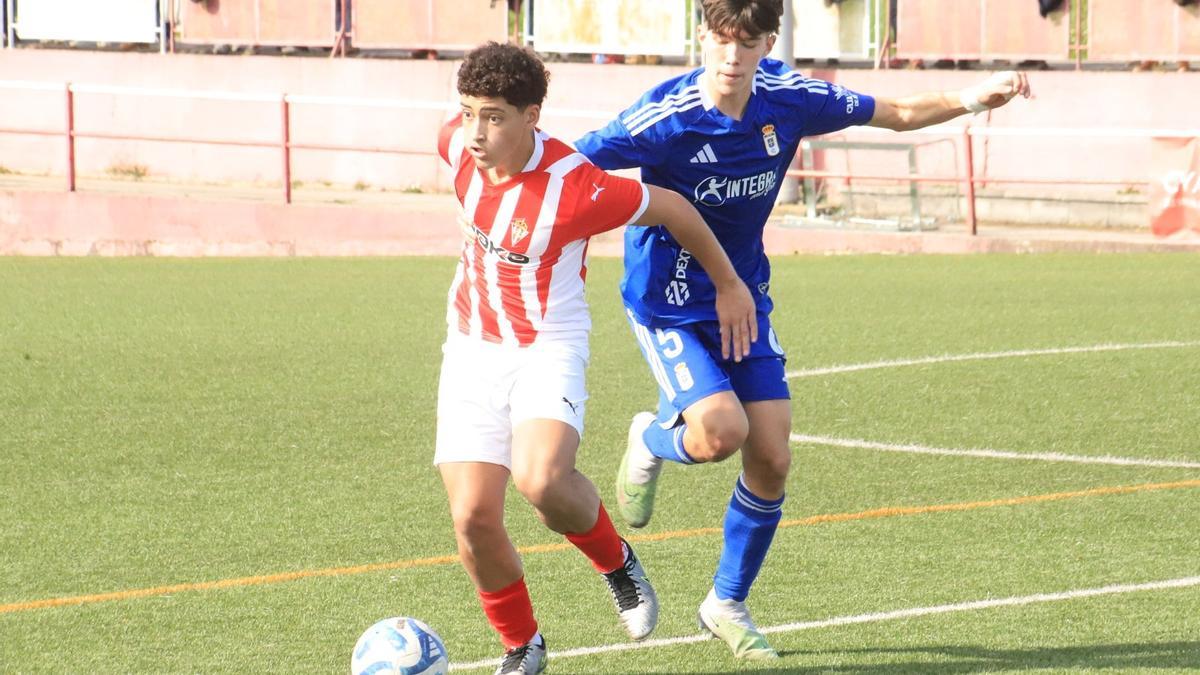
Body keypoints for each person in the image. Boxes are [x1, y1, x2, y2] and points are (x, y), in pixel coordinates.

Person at [574, 0, 1031, 660]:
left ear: (768, 43)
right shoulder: (663, 118)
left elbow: (896, 114)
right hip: (668, 304)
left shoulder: (788, 98)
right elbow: (572, 163)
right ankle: (649, 436)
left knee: (773, 454)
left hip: (745, 301)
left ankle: (725, 601)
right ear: (702, 37)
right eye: (722, 40)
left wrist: (972, 95)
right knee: (720, 434)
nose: (733, 56)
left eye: (749, 41)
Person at [435, 41, 757, 675]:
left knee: (542, 480)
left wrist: (727, 283)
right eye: (469, 111)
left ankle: (617, 563)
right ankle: (522, 647)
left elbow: (672, 208)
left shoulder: (576, 187)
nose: (475, 131)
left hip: (547, 345)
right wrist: (470, 122)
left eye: (495, 116)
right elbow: (461, 138)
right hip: (471, 345)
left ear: (532, 116)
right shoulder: (453, 145)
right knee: (472, 515)